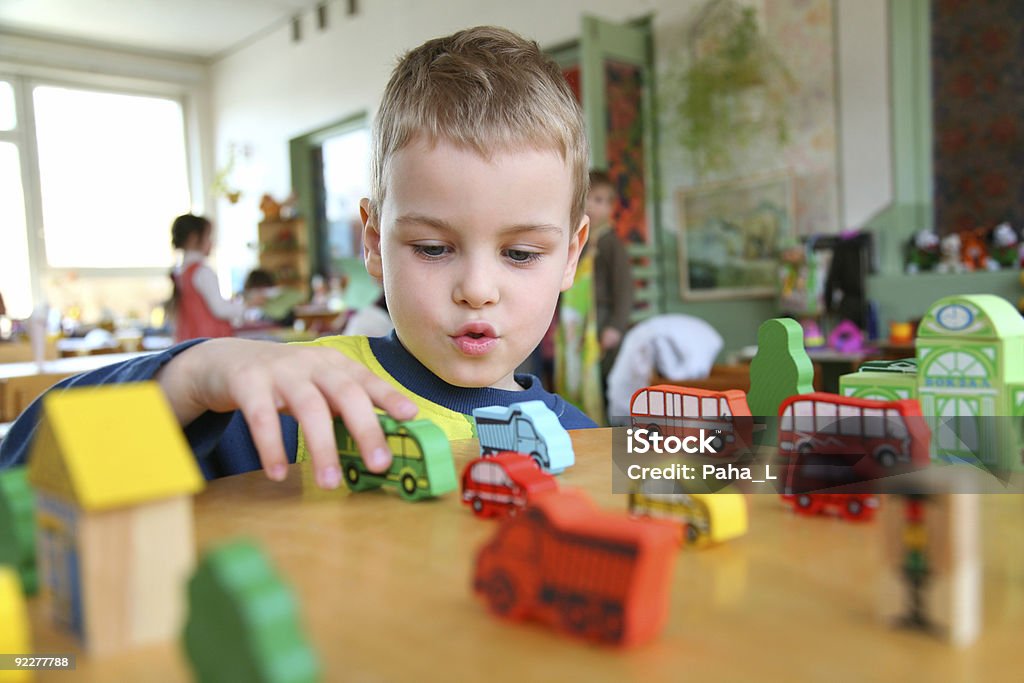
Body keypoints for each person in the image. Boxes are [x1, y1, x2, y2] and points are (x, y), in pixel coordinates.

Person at [0, 26, 595, 490]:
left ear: (570, 256)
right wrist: (189, 377)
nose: (477, 288)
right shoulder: (290, 402)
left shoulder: (588, 442)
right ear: (372, 242)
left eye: (520, 253)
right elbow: (22, 471)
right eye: (433, 248)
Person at [554, 171, 633, 424]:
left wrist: (615, 327)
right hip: (574, 324)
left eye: (604, 201)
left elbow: (625, 289)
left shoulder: (610, 244)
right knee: (572, 378)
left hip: (602, 323)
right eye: (592, 199)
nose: (599, 207)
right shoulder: (577, 243)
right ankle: (578, 425)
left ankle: (605, 430)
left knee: (602, 382)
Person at [169, 213, 244, 342]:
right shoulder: (202, 271)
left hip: (191, 342)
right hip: (210, 342)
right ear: (193, 238)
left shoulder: (182, 272)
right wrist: (245, 306)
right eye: (208, 237)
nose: (212, 243)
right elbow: (220, 309)